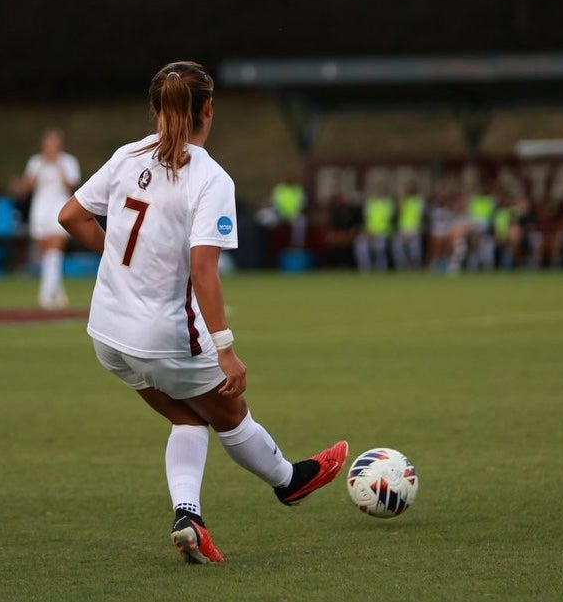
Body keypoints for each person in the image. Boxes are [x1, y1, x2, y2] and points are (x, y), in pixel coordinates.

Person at [57, 61, 347, 565]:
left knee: (189, 419)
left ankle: (188, 517)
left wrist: (118, 260)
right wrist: (226, 349)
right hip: (164, 337)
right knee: (232, 415)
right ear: (208, 109)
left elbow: (70, 216)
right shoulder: (211, 178)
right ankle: (290, 482)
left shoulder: (129, 155)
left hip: (106, 333)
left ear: (156, 109)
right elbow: (204, 271)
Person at [23, 129, 80, 309]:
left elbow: (72, 185)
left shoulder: (68, 161)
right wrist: (41, 166)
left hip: (59, 208)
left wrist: (58, 165)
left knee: (55, 250)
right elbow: (28, 186)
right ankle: (58, 291)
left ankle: (46, 294)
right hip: (40, 209)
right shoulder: (35, 161)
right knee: (46, 254)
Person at [355, 184, 396, 272]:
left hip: (383, 232)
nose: (378, 192)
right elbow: (366, 219)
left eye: (381, 190)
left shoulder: (388, 203)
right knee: (361, 246)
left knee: (379, 248)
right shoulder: (370, 203)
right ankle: (365, 270)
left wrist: (377, 233)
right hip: (369, 232)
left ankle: (381, 270)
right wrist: (367, 232)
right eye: (377, 190)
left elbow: (389, 220)